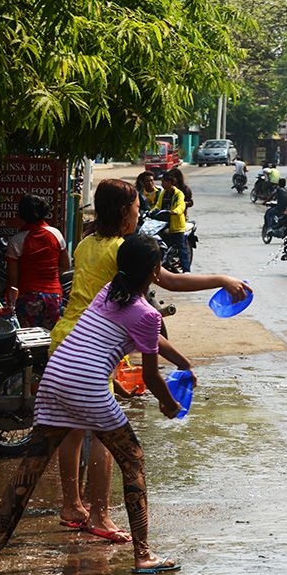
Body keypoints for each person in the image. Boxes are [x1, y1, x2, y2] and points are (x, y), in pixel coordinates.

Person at [0, 234, 189, 575]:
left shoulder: (108, 293)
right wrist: (171, 405)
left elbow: (150, 339)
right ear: (155, 271)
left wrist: (184, 362)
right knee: (133, 460)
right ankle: (143, 555)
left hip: (56, 379)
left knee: (30, 469)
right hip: (87, 387)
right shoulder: (145, 313)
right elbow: (151, 375)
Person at [51, 179, 250, 543]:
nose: (140, 212)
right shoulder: (124, 251)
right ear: (125, 214)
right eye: (137, 208)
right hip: (97, 348)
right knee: (106, 436)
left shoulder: (85, 244)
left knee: (73, 429)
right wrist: (223, 278)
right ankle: (100, 514)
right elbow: (171, 282)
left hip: (66, 338)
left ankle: (72, 504)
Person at [4, 194, 70, 329]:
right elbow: (65, 265)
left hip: (28, 296)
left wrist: (8, 302)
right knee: (50, 338)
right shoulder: (56, 234)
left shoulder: (16, 241)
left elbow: (13, 279)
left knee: (28, 339)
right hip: (54, 295)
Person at [150, 171, 191, 272]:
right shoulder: (163, 193)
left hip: (176, 224)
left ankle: (186, 271)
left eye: (164, 182)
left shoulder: (178, 193)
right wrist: (151, 212)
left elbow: (181, 205)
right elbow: (158, 205)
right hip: (163, 223)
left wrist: (175, 211)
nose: (162, 184)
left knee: (182, 248)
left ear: (169, 182)